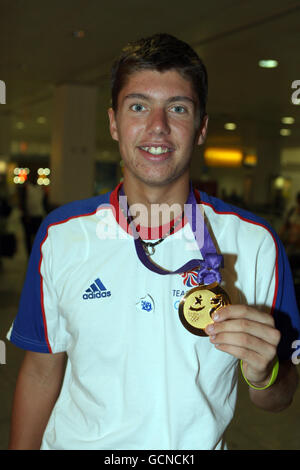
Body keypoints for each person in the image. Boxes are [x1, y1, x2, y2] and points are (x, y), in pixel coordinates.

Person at [7, 33, 300, 450]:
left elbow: (280, 395)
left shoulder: (255, 243)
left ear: (200, 128)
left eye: (177, 108)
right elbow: (39, 371)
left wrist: (265, 372)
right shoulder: (62, 235)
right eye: (139, 106)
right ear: (113, 122)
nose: (157, 127)